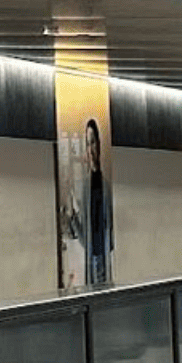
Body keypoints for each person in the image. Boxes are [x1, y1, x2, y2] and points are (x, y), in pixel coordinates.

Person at [83, 118, 112, 286]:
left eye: (93, 143)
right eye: (87, 144)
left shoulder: (105, 185)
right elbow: (83, 232)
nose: (91, 150)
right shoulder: (85, 187)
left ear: (99, 145)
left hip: (104, 252)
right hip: (92, 255)